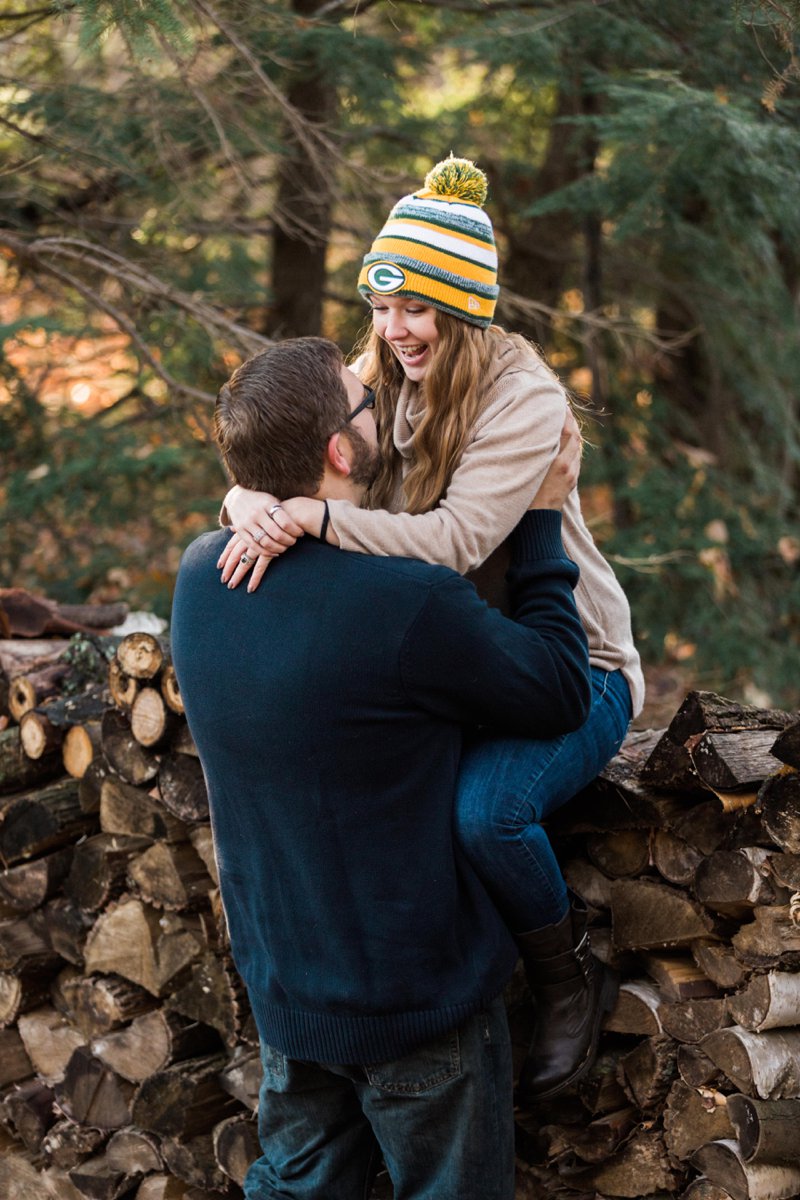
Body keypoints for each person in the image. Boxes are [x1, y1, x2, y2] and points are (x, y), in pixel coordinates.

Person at [219, 156, 645, 1103]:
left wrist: (316, 520)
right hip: (462, 662)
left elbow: (451, 544)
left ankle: (568, 974)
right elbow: (312, 455)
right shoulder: (382, 377)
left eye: (415, 309)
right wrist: (247, 492)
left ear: (463, 307)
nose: (392, 331)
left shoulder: (524, 400)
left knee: (482, 816)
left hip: (568, 663)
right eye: (380, 307)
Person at [171, 334, 592, 1200]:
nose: (383, 408)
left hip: (287, 989)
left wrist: (244, 494)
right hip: (414, 1003)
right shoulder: (408, 603)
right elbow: (558, 689)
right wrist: (544, 519)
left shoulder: (201, 577)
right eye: (365, 406)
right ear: (339, 449)